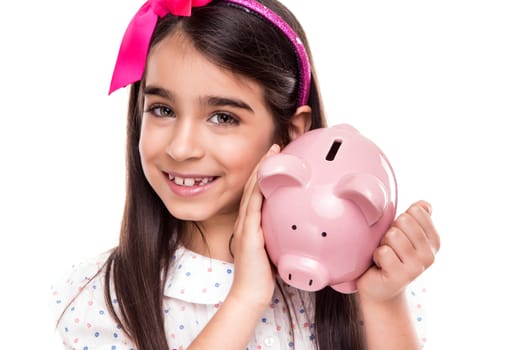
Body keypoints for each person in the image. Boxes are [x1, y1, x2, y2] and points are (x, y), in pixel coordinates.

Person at [50, 0, 440, 349]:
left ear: (291, 131)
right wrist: (245, 299)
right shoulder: (100, 298)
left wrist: (383, 300)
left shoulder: (366, 280)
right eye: (162, 110)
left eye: (223, 117)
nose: (182, 148)